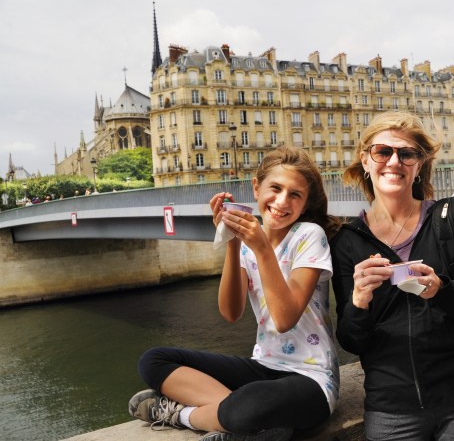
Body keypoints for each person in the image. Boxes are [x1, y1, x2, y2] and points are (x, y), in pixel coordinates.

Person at [128, 146, 342, 441]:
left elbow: (284, 319)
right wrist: (230, 241)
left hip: (312, 379)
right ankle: (245, 419)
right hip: (263, 365)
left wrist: (262, 248)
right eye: (275, 188)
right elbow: (231, 312)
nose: (282, 202)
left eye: (295, 195)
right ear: (256, 188)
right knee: (153, 360)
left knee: (252, 401)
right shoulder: (247, 242)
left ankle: (183, 415)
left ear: (305, 205)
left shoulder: (308, 236)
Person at [331, 110, 454, 440]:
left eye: (406, 153)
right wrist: (359, 301)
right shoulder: (347, 241)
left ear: (419, 165)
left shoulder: (449, 218)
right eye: (383, 152)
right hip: (391, 407)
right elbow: (352, 339)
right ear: (365, 161)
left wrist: (441, 289)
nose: (394, 162)